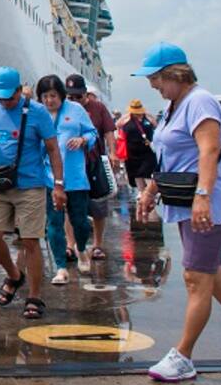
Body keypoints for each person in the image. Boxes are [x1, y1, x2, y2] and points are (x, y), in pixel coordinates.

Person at [133, 43, 221, 383]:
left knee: (195, 278)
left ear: (175, 74)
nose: (152, 85)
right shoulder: (175, 106)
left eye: (156, 78)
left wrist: (203, 196)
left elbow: (209, 149)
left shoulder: (200, 102)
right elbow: (171, 160)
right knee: (211, 274)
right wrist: (150, 190)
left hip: (206, 206)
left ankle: (183, 357)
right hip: (187, 204)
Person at [0, 67, 65, 321]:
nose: (5, 102)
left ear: (19, 91)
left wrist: (58, 185)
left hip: (30, 185)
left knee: (30, 241)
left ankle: (34, 296)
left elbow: (52, 149)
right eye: (0, 97)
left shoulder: (37, 112)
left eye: (9, 97)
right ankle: (15, 275)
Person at [35, 74, 96, 285]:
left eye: (53, 95)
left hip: (75, 176)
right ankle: (61, 267)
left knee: (80, 221)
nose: (49, 100)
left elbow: (92, 132)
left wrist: (83, 139)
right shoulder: (38, 114)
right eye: (45, 96)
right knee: (54, 223)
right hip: (50, 178)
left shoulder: (76, 110)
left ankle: (81, 249)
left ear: (61, 94)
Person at [67, 74, 116, 260]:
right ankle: (70, 245)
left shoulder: (98, 108)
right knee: (69, 207)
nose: (74, 101)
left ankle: (97, 244)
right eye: (70, 97)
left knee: (98, 206)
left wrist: (113, 153)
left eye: (78, 97)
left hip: (93, 163)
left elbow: (109, 131)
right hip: (71, 165)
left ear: (85, 94)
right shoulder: (64, 110)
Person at [119, 99, 158, 206]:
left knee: (148, 171)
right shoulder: (127, 118)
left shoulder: (148, 117)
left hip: (147, 149)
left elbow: (156, 126)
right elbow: (118, 126)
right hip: (132, 150)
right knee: (136, 172)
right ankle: (141, 191)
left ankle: (151, 192)